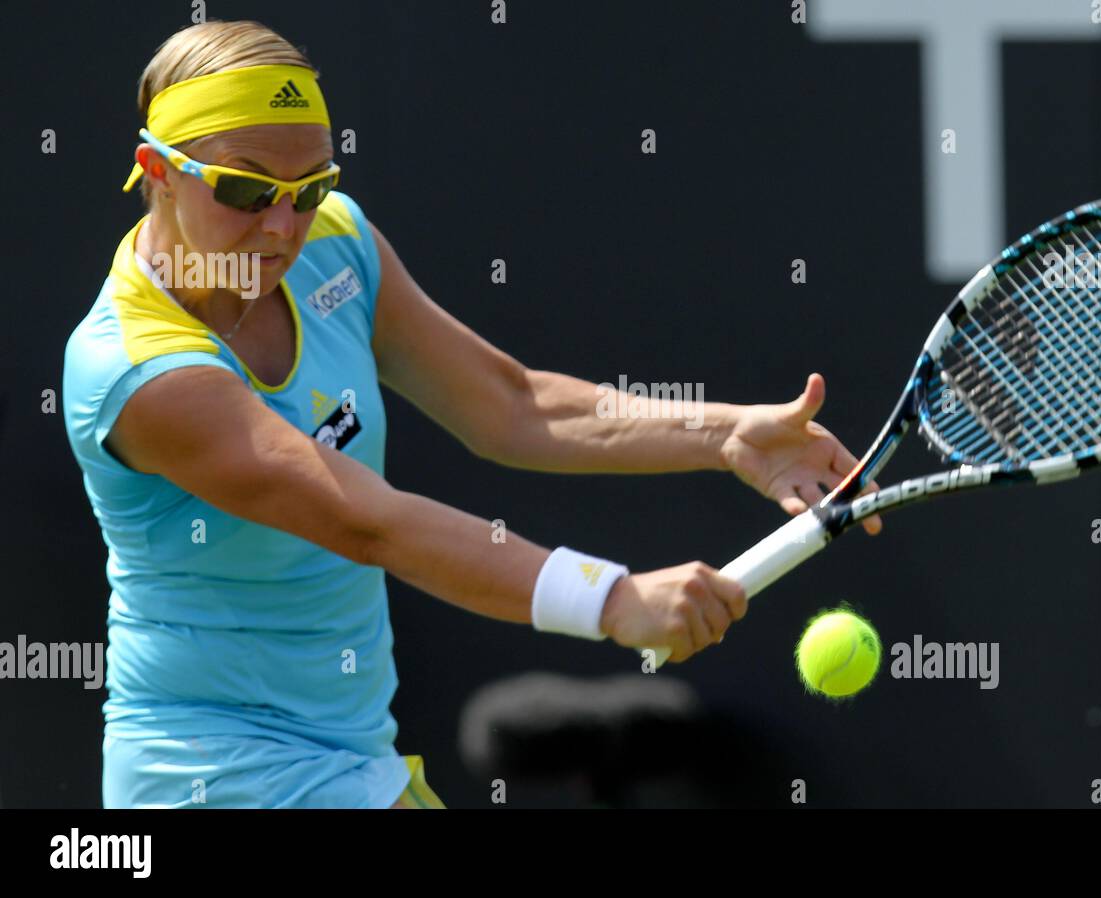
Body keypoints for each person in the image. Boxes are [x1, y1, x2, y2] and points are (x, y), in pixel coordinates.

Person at [62, 20, 881, 809]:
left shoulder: (336, 245)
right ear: (157, 171)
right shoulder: (141, 370)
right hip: (214, 773)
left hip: (350, 751)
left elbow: (510, 405)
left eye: (310, 189)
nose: (282, 227)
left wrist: (725, 434)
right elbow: (369, 525)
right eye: (245, 190)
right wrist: (611, 599)